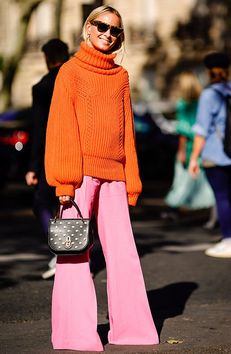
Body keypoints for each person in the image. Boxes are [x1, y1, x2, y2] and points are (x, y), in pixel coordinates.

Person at [45, 5, 159, 351]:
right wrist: (64, 182)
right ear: (88, 27)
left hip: (115, 175)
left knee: (124, 253)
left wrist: (132, 180)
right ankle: (74, 334)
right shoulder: (69, 72)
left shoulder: (121, 76)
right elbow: (61, 128)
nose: (109, 34)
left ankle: (133, 330)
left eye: (116, 31)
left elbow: (127, 131)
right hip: (78, 175)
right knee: (74, 253)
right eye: (103, 26)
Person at [25, 39, 70, 279]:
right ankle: (73, 251)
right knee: (72, 204)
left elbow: (40, 129)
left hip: (52, 155)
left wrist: (33, 166)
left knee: (42, 203)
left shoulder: (42, 87)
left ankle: (63, 251)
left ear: (47, 59)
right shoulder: (78, 78)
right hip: (80, 152)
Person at [189, 52, 231, 258]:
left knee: (222, 198)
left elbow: (201, 129)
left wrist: (193, 158)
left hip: (215, 156)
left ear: (209, 72)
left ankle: (228, 240)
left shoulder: (209, 94)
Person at [164, 72, 215, 214]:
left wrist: (181, 152)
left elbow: (183, 133)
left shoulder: (183, 104)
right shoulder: (202, 102)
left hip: (188, 146)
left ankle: (174, 207)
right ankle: (210, 212)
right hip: (203, 145)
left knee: (181, 179)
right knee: (203, 180)